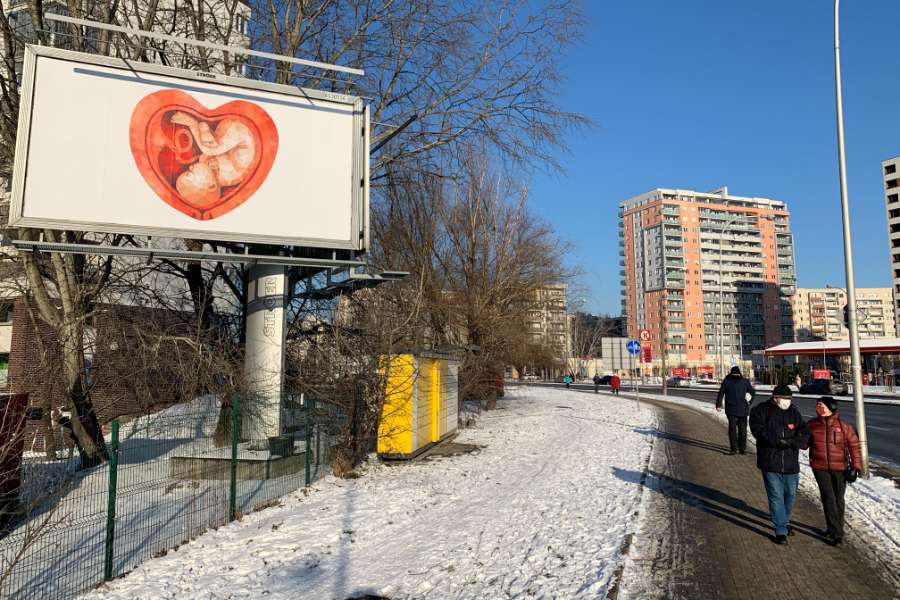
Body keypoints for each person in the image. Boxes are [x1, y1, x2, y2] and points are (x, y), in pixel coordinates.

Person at [749, 384, 810, 544]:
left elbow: (804, 433)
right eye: (784, 399)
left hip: (790, 461)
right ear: (775, 398)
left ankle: (784, 520)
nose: (787, 402)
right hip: (770, 461)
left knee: (790, 495)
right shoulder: (760, 411)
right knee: (776, 496)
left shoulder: (793, 412)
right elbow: (758, 431)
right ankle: (780, 529)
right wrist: (777, 442)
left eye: (789, 399)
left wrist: (792, 443)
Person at [806, 396, 863, 546]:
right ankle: (837, 534)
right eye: (817, 405)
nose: (818, 407)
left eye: (821, 405)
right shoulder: (812, 425)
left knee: (838, 499)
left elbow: (855, 447)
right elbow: (803, 442)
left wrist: (856, 468)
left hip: (840, 468)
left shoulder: (844, 427)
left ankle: (835, 528)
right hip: (820, 467)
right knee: (828, 497)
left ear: (830, 408)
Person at [715, 366, 755, 455]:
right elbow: (753, 393)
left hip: (734, 409)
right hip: (738, 409)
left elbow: (721, 393)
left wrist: (718, 404)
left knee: (735, 429)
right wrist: (749, 402)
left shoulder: (728, 381)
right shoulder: (740, 381)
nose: (736, 375)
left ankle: (736, 449)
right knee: (741, 430)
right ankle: (740, 449)